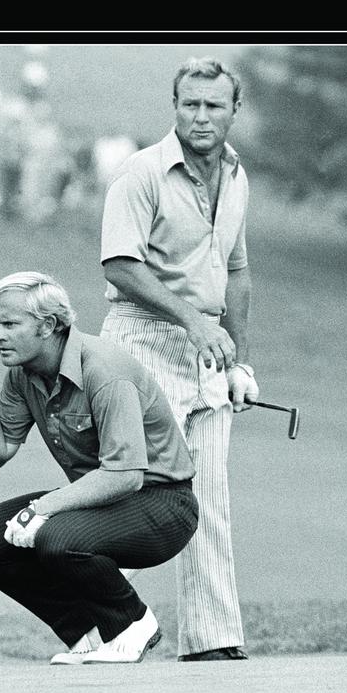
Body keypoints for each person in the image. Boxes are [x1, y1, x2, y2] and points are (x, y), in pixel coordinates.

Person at [0, 272, 199, 664]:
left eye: (10, 324)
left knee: (54, 535)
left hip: (163, 505)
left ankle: (131, 624)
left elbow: (126, 474)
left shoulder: (104, 370)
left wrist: (44, 507)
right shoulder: (21, 375)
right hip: (101, 503)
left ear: (48, 325)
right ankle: (86, 631)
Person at [99, 57, 259, 662]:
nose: (200, 116)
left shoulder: (238, 177)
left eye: (213, 105)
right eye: (189, 104)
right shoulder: (139, 173)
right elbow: (119, 264)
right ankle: (104, 629)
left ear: (233, 111)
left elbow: (236, 271)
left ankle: (212, 641)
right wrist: (194, 322)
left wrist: (239, 362)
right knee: (141, 491)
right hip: (141, 339)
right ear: (175, 107)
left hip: (208, 351)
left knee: (208, 495)